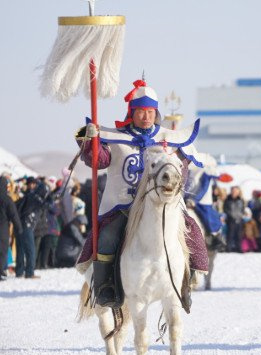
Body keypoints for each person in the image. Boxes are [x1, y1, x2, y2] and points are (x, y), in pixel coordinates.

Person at [74, 79, 208, 308]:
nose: (145, 117)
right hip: (123, 205)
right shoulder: (115, 137)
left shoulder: (171, 139)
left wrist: (175, 175)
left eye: (149, 112)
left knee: (191, 230)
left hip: (161, 205)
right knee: (106, 237)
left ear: (156, 113)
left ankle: (187, 281)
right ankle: (105, 287)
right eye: (140, 112)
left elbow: (183, 166)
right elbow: (99, 161)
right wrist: (90, 141)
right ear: (131, 112)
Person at [15, 176, 46, 279]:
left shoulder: (24, 196)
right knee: (30, 250)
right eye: (31, 184)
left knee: (21, 248)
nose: (32, 186)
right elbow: (47, 204)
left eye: (34, 184)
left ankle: (19, 272)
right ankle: (29, 273)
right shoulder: (34, 197)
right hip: (26, 224)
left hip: (19, 224)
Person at [223, 186, 245, 253]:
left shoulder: (241, 200)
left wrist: (241, 215)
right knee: (230, 234)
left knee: (239, 235)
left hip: (239, 219)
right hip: (231, 219)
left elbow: (242, 209)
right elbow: (225, 209)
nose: (234, 192)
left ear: (238, 192)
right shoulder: (227, 199)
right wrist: (231, 215)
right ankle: (228, 248)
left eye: (236, 191)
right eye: (233, 191)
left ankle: (239, 248)